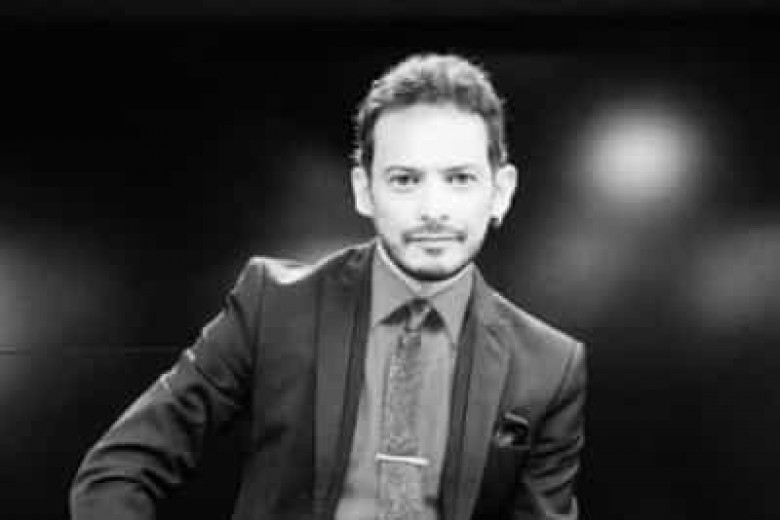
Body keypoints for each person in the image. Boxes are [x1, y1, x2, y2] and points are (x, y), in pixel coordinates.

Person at [70, 53, 587, 520]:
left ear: (501, 192)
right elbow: (119, 469)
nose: (433, 209)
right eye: (405, 179)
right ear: (364, 190)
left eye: (459, 179)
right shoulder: (273, 304)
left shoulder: (549, 366)